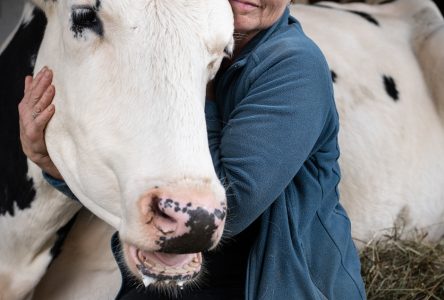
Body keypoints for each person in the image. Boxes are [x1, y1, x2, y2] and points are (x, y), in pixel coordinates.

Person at [19, 0, 366, 299]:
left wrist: (200, 77)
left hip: (277, 282)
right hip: (188, 266)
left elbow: (233, 208)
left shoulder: (295, 64)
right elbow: (139, 173)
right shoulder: (175, 44)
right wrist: (52, 164)